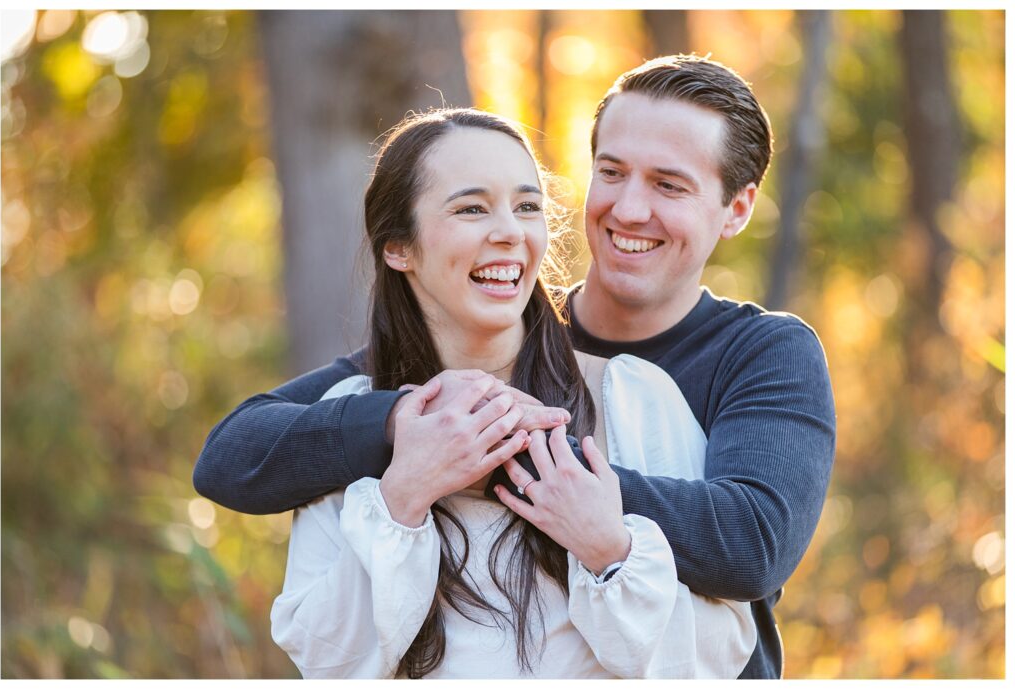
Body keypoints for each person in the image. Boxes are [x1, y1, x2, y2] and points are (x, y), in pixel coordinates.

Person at [194, 54, 836, 679]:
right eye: (611, 172)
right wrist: (403, 425)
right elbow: (232, 455)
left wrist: (525, 456)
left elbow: (752, 544)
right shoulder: (493, 330)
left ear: (738, 208)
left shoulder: (756, 356)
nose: (629, 209)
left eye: (669, 185)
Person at [269, 107, 755, 678]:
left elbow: (716, 657)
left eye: (527, 207)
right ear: (399, 247)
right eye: (472, 208)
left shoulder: (633, 397)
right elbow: (329, 666)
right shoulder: (347, 419)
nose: (510, 232)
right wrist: (403, 499)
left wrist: (608, 550)